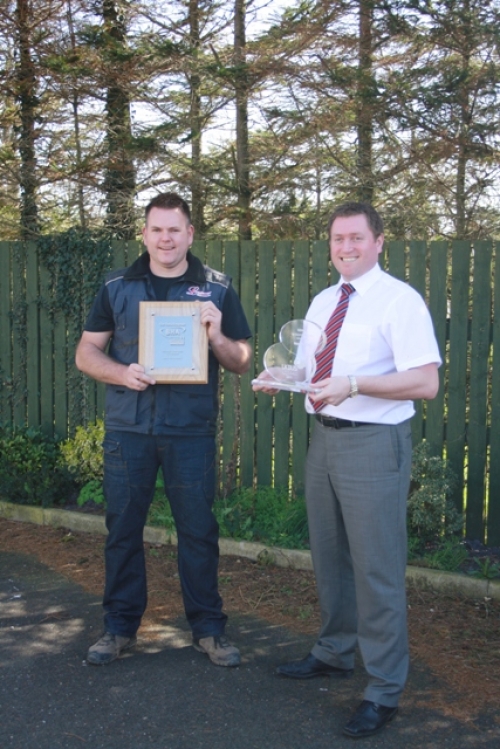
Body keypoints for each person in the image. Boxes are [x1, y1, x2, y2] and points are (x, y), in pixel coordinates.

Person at [253, 202, 441, 738]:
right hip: (326, 443)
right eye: (338, 238)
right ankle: (335, 652)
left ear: (379, 241)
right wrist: (282, 377)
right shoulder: (324, 299)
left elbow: (424, 382)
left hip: (375, 444)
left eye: (356, 238)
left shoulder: (399, 300)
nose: (346, 247)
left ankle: (384, 689)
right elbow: (316, 370)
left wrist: (355, 385)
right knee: (329, 557)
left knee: (377, 569)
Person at [76, 192, 252, 668]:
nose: (166, 238)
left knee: (198, 532)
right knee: (122, 532)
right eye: (157, 229)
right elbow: (87, 351)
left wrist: (216, 336)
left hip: (189, 433)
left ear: (190, 234)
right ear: (145, 234)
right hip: (128, 431)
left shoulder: (216, 288)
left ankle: (209, 630)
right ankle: (118, 628)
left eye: (175, 229)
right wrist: (120, 373)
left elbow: (240, 361)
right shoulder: (117, 286)